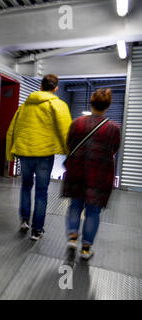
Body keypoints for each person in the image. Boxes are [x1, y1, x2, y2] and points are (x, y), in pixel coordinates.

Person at [6, 74, 72, 240]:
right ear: (56, 88)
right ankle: (37, 230)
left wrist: (10, 152)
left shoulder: (25, 105)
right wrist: (69, 153)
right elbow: (66, 131)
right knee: (42, 192)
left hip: (25, 153)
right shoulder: (58, 105)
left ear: (41, 86)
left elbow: (12, 129)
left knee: (26, 187)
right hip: (44, 155)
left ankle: (24, 221)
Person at [63, 88, 120, 260]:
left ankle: (72, 237)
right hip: (99, 174)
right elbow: (114, 150)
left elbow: (69, 144)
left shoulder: (77, 123)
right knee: (93, 212)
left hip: (77, 171)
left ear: (91, 103)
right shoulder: (113, 128)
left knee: (75, 205)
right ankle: (86, 249)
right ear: (108, 106)